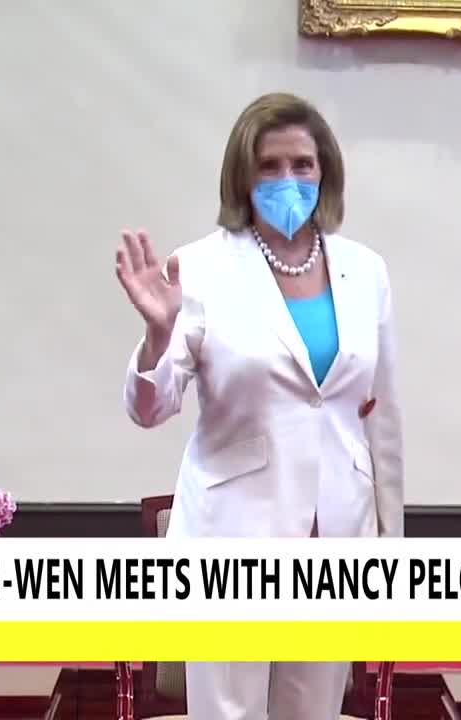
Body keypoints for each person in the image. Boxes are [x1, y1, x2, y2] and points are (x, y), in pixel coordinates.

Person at [115, 92, 403, 720]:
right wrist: (158, 336)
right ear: (242, 177)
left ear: (325, 169)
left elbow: (380, 416)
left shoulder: (365, 270)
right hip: (230, 539)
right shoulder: (199, 267)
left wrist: (389, 541)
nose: (288, 180)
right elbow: (150, 407)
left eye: (302, 164)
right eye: (269, 166)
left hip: (336, 541)